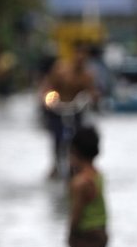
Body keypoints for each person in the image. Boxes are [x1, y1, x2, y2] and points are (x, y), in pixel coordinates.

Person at [67, 125, 113, 247]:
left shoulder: (80, 182)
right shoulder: (97, 175)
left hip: (86, 236)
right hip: (100, 234)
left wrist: (69, 235)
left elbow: (76, 214)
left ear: (75, 152)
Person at [40, 41, 100, 178]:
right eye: (79, 53)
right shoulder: (60, 69)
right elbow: (48, 85)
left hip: (76, 110)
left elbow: (93, 92)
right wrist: (46, 98)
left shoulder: (88, 75)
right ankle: (55, 164)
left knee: (80, 136)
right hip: (58, 109)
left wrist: (92, 98)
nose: (81, 57)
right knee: (56, 136)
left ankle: (77, 163)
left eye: (84, 54)